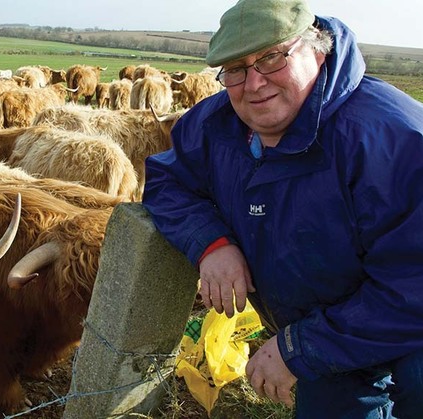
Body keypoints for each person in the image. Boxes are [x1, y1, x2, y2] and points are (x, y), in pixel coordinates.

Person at [142, 0, 423, 417]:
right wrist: (211, 243)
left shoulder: (394, 141)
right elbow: (168, 180)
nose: (253, 84)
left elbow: (413, 288)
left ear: (317, 49)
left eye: (271, 58)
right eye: (235, 69)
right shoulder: (216, 124)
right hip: (323, 326)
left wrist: (299, 350)